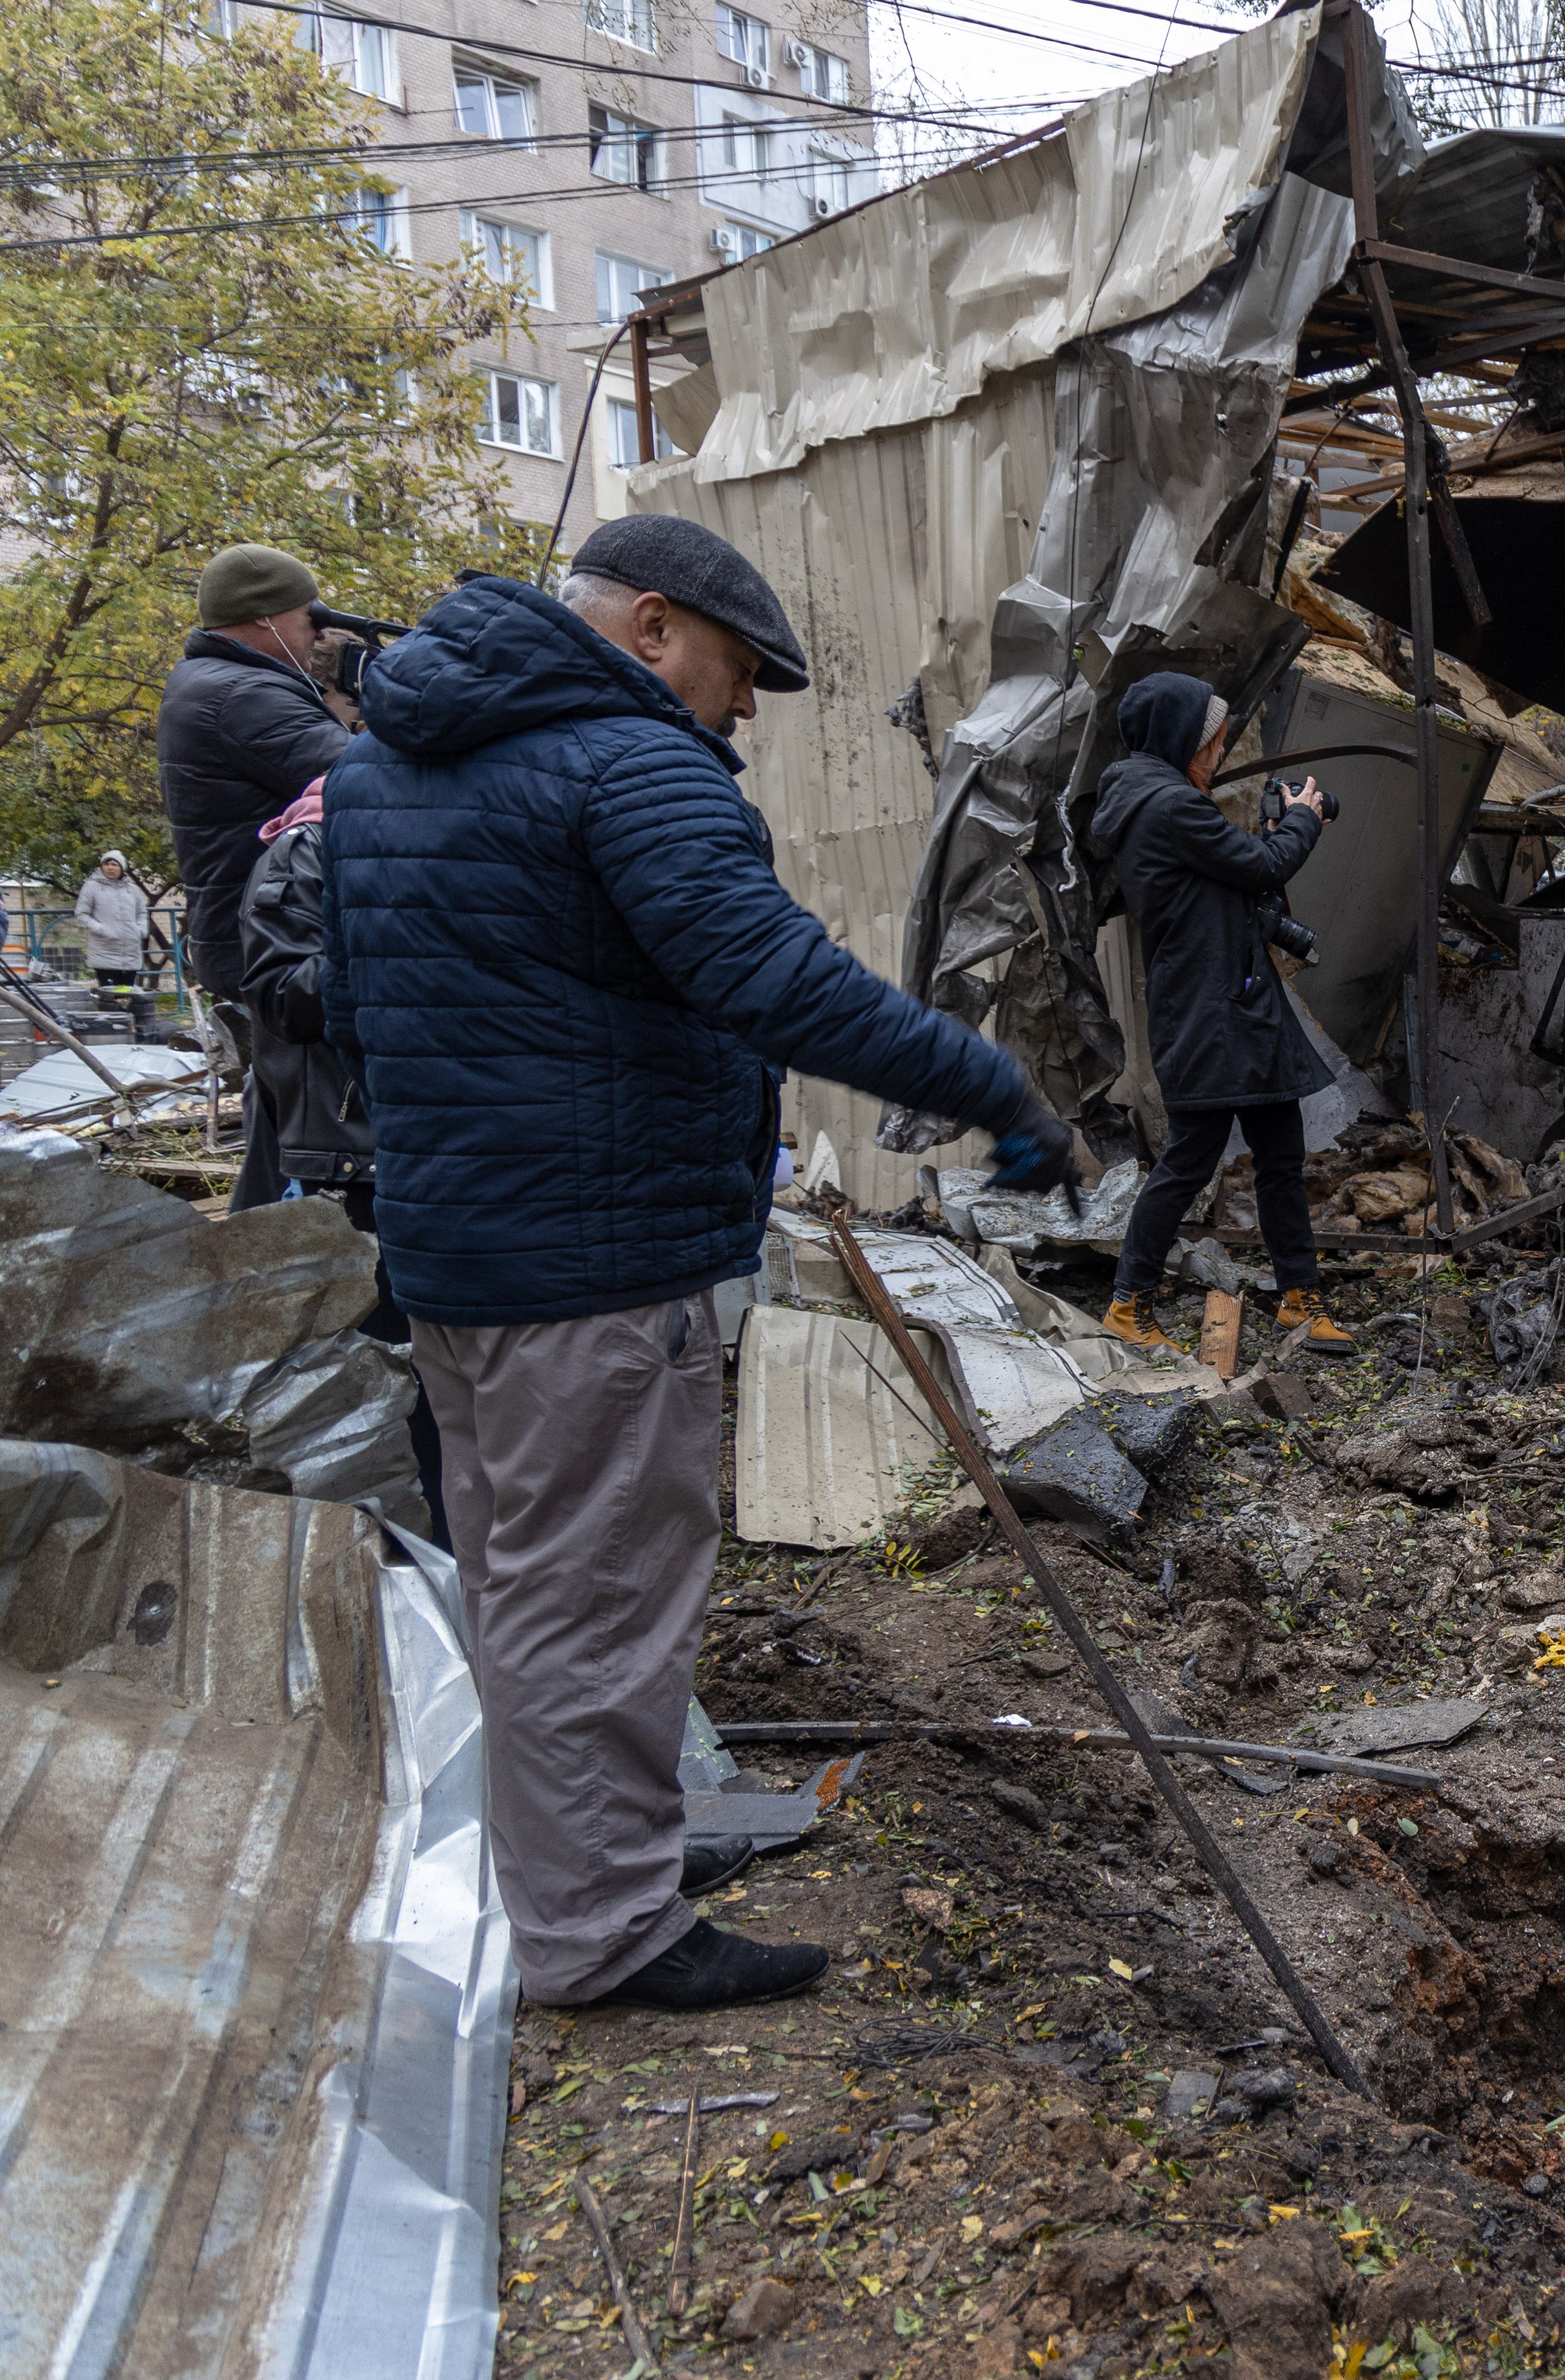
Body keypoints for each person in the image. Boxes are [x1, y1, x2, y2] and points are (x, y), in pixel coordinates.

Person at [322, 513, 1079, 2016]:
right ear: (655, 626)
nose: (743, 711)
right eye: (740, 674)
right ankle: (606, 1934)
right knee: (598, 1600)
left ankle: (601, 1867)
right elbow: (772, 975)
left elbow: (346, 1009)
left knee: (531, 1586)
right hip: (590, 1266)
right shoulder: (625, 760)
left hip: (463, 1257)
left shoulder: (375, 768)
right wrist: (988, 1084)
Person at [1087, 671, 1353, 1356]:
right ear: (1180, 737)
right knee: (1188, 1161)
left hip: (1235, 1007)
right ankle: (1126, 1305)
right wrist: (1304, 817)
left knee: (1280, 1156)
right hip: (1212, 1013)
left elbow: (1237, 874)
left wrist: (1272, 830)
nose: (1219, 750)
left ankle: (1300, 1297)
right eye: (1210, 739)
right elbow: (1263, 867)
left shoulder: (1161, 801)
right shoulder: (1169, 805)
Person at [237, 777, 450, 1547]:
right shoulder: (310, 847)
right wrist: (403, 949)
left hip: (453, 1162)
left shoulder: (455, 839)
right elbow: (281, 991)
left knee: (449, 1395)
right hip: (354, 1169)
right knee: (382, 1394)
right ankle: (391, 1566)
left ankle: (448, 1571)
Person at [159, 544, 352, 1207]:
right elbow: (365, 778)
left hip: (251, 945)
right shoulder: (243, 695)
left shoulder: (217, 684)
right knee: (299, 1134)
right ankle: (277, 1274)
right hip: (278, 950)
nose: (320, 634)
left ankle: (261, 1264)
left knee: (276, 1124)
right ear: (267, 621)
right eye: (310, 618)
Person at [72, 850, 154, 1031]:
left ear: (122, 868)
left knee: (127, 995)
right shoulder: (92, 887)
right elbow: (81, 914)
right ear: (102, 867)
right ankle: (110, 1030)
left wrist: (140, 930)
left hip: (130, 951)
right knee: (109, 996)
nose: (110, 867)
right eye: (107, 864)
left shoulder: (132, 890)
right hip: (105, 951)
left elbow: (142, 912)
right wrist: (101, 929)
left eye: (115, 864)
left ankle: (127, 1030)